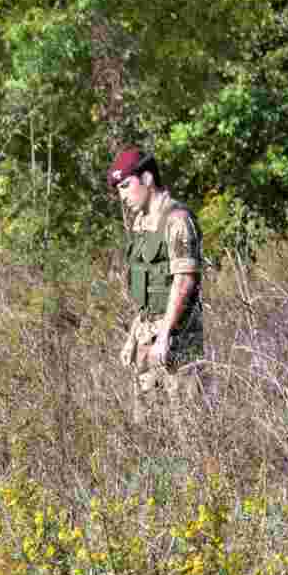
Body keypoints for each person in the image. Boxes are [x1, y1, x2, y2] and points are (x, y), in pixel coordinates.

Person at [107, 146, 207, 427]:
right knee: (147, 430)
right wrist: (133, 336)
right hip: (145, 340)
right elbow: (147, 289)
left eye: (127, 186)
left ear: (148, 179)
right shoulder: (140, 224)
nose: (123, 196)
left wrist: (164, 337)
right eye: (119, 190)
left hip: (177, 341)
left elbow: (184, 279)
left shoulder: (177, 220)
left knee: (188, 428)